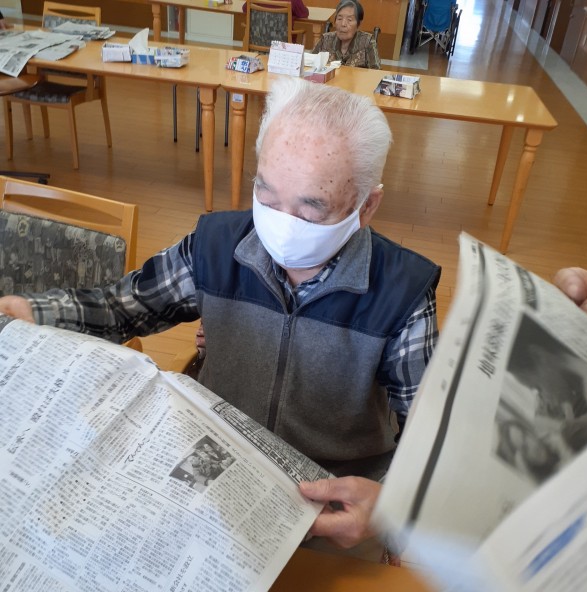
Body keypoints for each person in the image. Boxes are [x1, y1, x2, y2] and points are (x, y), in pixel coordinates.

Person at [0, 77, 441, 553]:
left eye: (311, 210)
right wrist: (32, 311)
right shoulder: (215, 247)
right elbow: (121, 308)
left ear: (366, 205)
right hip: (217, 474)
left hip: (333, 506)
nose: (282, 223)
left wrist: (392, 503)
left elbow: (432, 439)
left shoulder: (402, 293)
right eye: (266, 195)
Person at [312, 0, 380, 69]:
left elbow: (376, 72)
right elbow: (310, 64)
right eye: (339, 19)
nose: (343, 24)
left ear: (359, 24)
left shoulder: (367, 42)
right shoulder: (325, 40)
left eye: (349, 20)